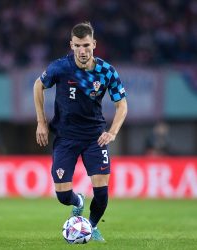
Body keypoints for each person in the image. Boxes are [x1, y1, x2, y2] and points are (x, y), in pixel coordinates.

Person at [33, 22, 127, 242]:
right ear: (71, 45)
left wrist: (112, 132)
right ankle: (78, 202)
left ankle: (90, 227)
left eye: (86, 45)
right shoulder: (61, 68)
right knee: (63, 196)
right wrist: (41, 121)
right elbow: (38, 85)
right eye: (78, 46)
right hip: (65, 137)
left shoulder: (106, 71)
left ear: (94, 44)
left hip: (95, 138)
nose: (83, 51)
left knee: (102, 193)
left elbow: (121, 104)